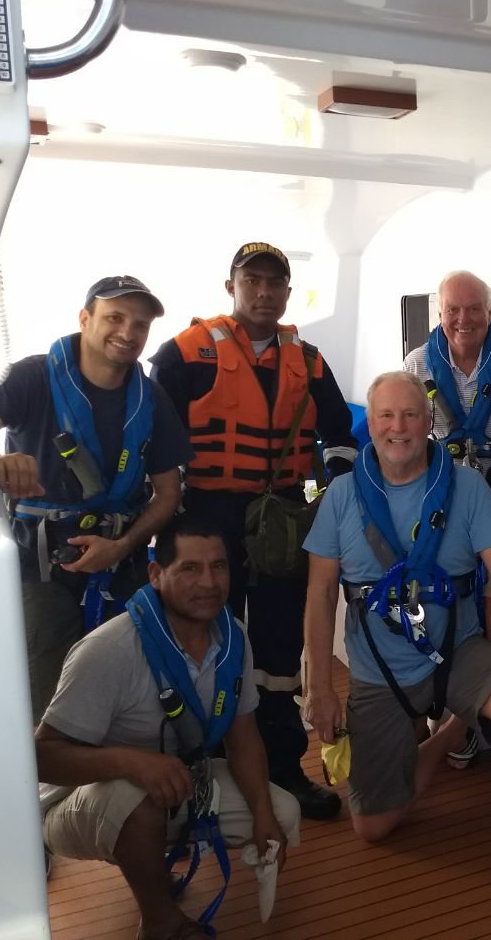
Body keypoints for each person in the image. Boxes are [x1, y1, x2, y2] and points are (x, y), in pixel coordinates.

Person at [301, 371, 491, 931]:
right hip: (379, 672)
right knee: (374, 828)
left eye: (409, 416)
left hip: (458, 653)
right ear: (371, 424)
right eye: (385, 416)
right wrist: (321, 687)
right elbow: (321, 594)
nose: (398, 428)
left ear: (428, 422)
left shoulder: (465, 487)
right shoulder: (342, 496)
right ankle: (453, 732)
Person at [150, 242, 358, 821]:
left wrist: (326, 497)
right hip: (205, 517)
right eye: (252, 281)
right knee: (203, 642)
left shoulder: (309, 361)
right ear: (231, 286)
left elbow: (339, 437)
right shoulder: (183, 354)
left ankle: (283, 767)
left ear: (288, 292)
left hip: (282, 520)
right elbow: (151, 441)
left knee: (278, 650)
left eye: (275, 283)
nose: (264, 292)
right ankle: (204, 771)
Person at [36, 517, 300, 940]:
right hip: (73, 802)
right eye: (190, 568)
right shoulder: (109, 650)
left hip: (177, 782)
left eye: (218, 566)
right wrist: (130, 763)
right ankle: (161, 923)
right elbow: (42, 758)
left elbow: (243, 736)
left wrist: (263, 815)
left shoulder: (233, 638)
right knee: (135, 798)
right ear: (157, 574)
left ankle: (149, 864)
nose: (209, 582)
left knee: (283, 813)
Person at [0, 275, 191, 724]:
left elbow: (168, 494)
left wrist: (120, 547)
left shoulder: (151, 399)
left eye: (140, 325)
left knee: (130, 687)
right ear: (85, 319)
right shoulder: (31, 377)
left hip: (121, 562)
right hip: (41, 567)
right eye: (114, 318)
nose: (127, 332)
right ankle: (51, 770)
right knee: (49, 701)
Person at [403, 270, 491, 763]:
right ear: (439, 314)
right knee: (443, 607)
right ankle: (454, 718)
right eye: (452, 310)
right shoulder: (417, 365)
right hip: (445, 505)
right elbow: (406, 437)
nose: (463, 319)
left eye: (473, 308)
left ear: (489, 311)